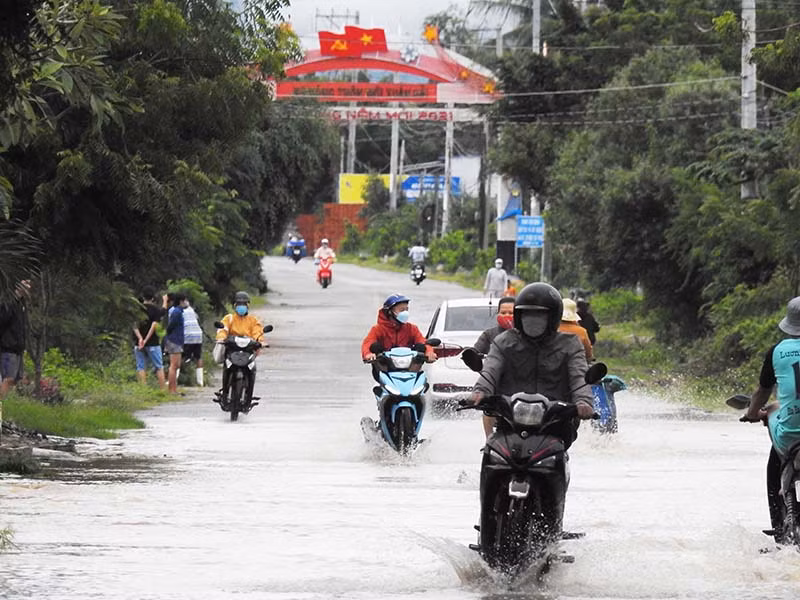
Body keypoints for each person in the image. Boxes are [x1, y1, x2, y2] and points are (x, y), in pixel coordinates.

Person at [470, 282, 595, 439]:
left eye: (539, 316)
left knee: (560, 445)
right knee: (492, 447)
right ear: (519, 316)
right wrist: (480, 391)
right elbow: (490, 369)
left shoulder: (570, 344)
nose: (532, 321)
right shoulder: (504, 342)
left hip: (555, 423)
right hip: (509, 421)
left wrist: (583, 401)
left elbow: (579, 376)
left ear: (553, 317)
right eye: (527, 315)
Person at [741, 296, 800, 542]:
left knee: (774, 465)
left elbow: (762, 392)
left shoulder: (776, 351)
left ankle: (779, 530)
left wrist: (752, 414)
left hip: (791, 436)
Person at [215, 291, 266, 403]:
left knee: (252, 369)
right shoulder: (229, 319)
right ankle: (225, 392)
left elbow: (257, 332)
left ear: (248, 305)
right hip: (233, 350)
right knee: (227, 367)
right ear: (234, 305)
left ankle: (249, 394)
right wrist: (221, 338)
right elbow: (223, 329)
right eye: (239, 304)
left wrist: (260, 342)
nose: (241, 307)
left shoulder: (253, 320)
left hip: (248, 350)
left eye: (244, 304)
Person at [361, 294, 437, 365]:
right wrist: (368, 354)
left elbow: (422, 342)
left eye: (406, 310)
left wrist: (429, 352)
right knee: (375, 346)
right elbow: (368, 343)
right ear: (390, 312)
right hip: (385, 366)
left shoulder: (412, 328)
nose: (405, 313)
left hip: (410, 367)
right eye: (401, 310)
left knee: (420, 347)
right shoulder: (378, 329)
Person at [132, 287, 167, 389]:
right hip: (153, 343)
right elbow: (154, 325)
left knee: (141, 366)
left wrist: (140, 339)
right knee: (159, 367)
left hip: (138, 343)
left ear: (143, 297)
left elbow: (134, 325)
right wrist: (146, 340)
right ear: (153, 298)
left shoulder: (137, 309)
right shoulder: (155, 310)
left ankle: (143, 389)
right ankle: (162, 389)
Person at [0, 280, 31, 397]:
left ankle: (7, 401)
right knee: (8, 379)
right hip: (8, 348)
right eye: (25, 287)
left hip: (18, 348)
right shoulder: (8, 303)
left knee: (14, 380)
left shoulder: (21, 305)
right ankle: (1, 402)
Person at [164, 292, 185, 394]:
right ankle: (171, 389)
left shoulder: (179, 312)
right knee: (173, 366)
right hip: (174, 340)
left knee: (177, 365)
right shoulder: (177, 312)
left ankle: (174, 388)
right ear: (181, 301)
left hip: (177, 340)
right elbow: (171, 326)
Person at [181, 297, 205, 386]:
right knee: (198, 357)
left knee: (181, 356)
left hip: (187, 336)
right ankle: (200, 382)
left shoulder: (180, 312)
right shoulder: (192, 310)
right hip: (198, 335)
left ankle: (176, 378)